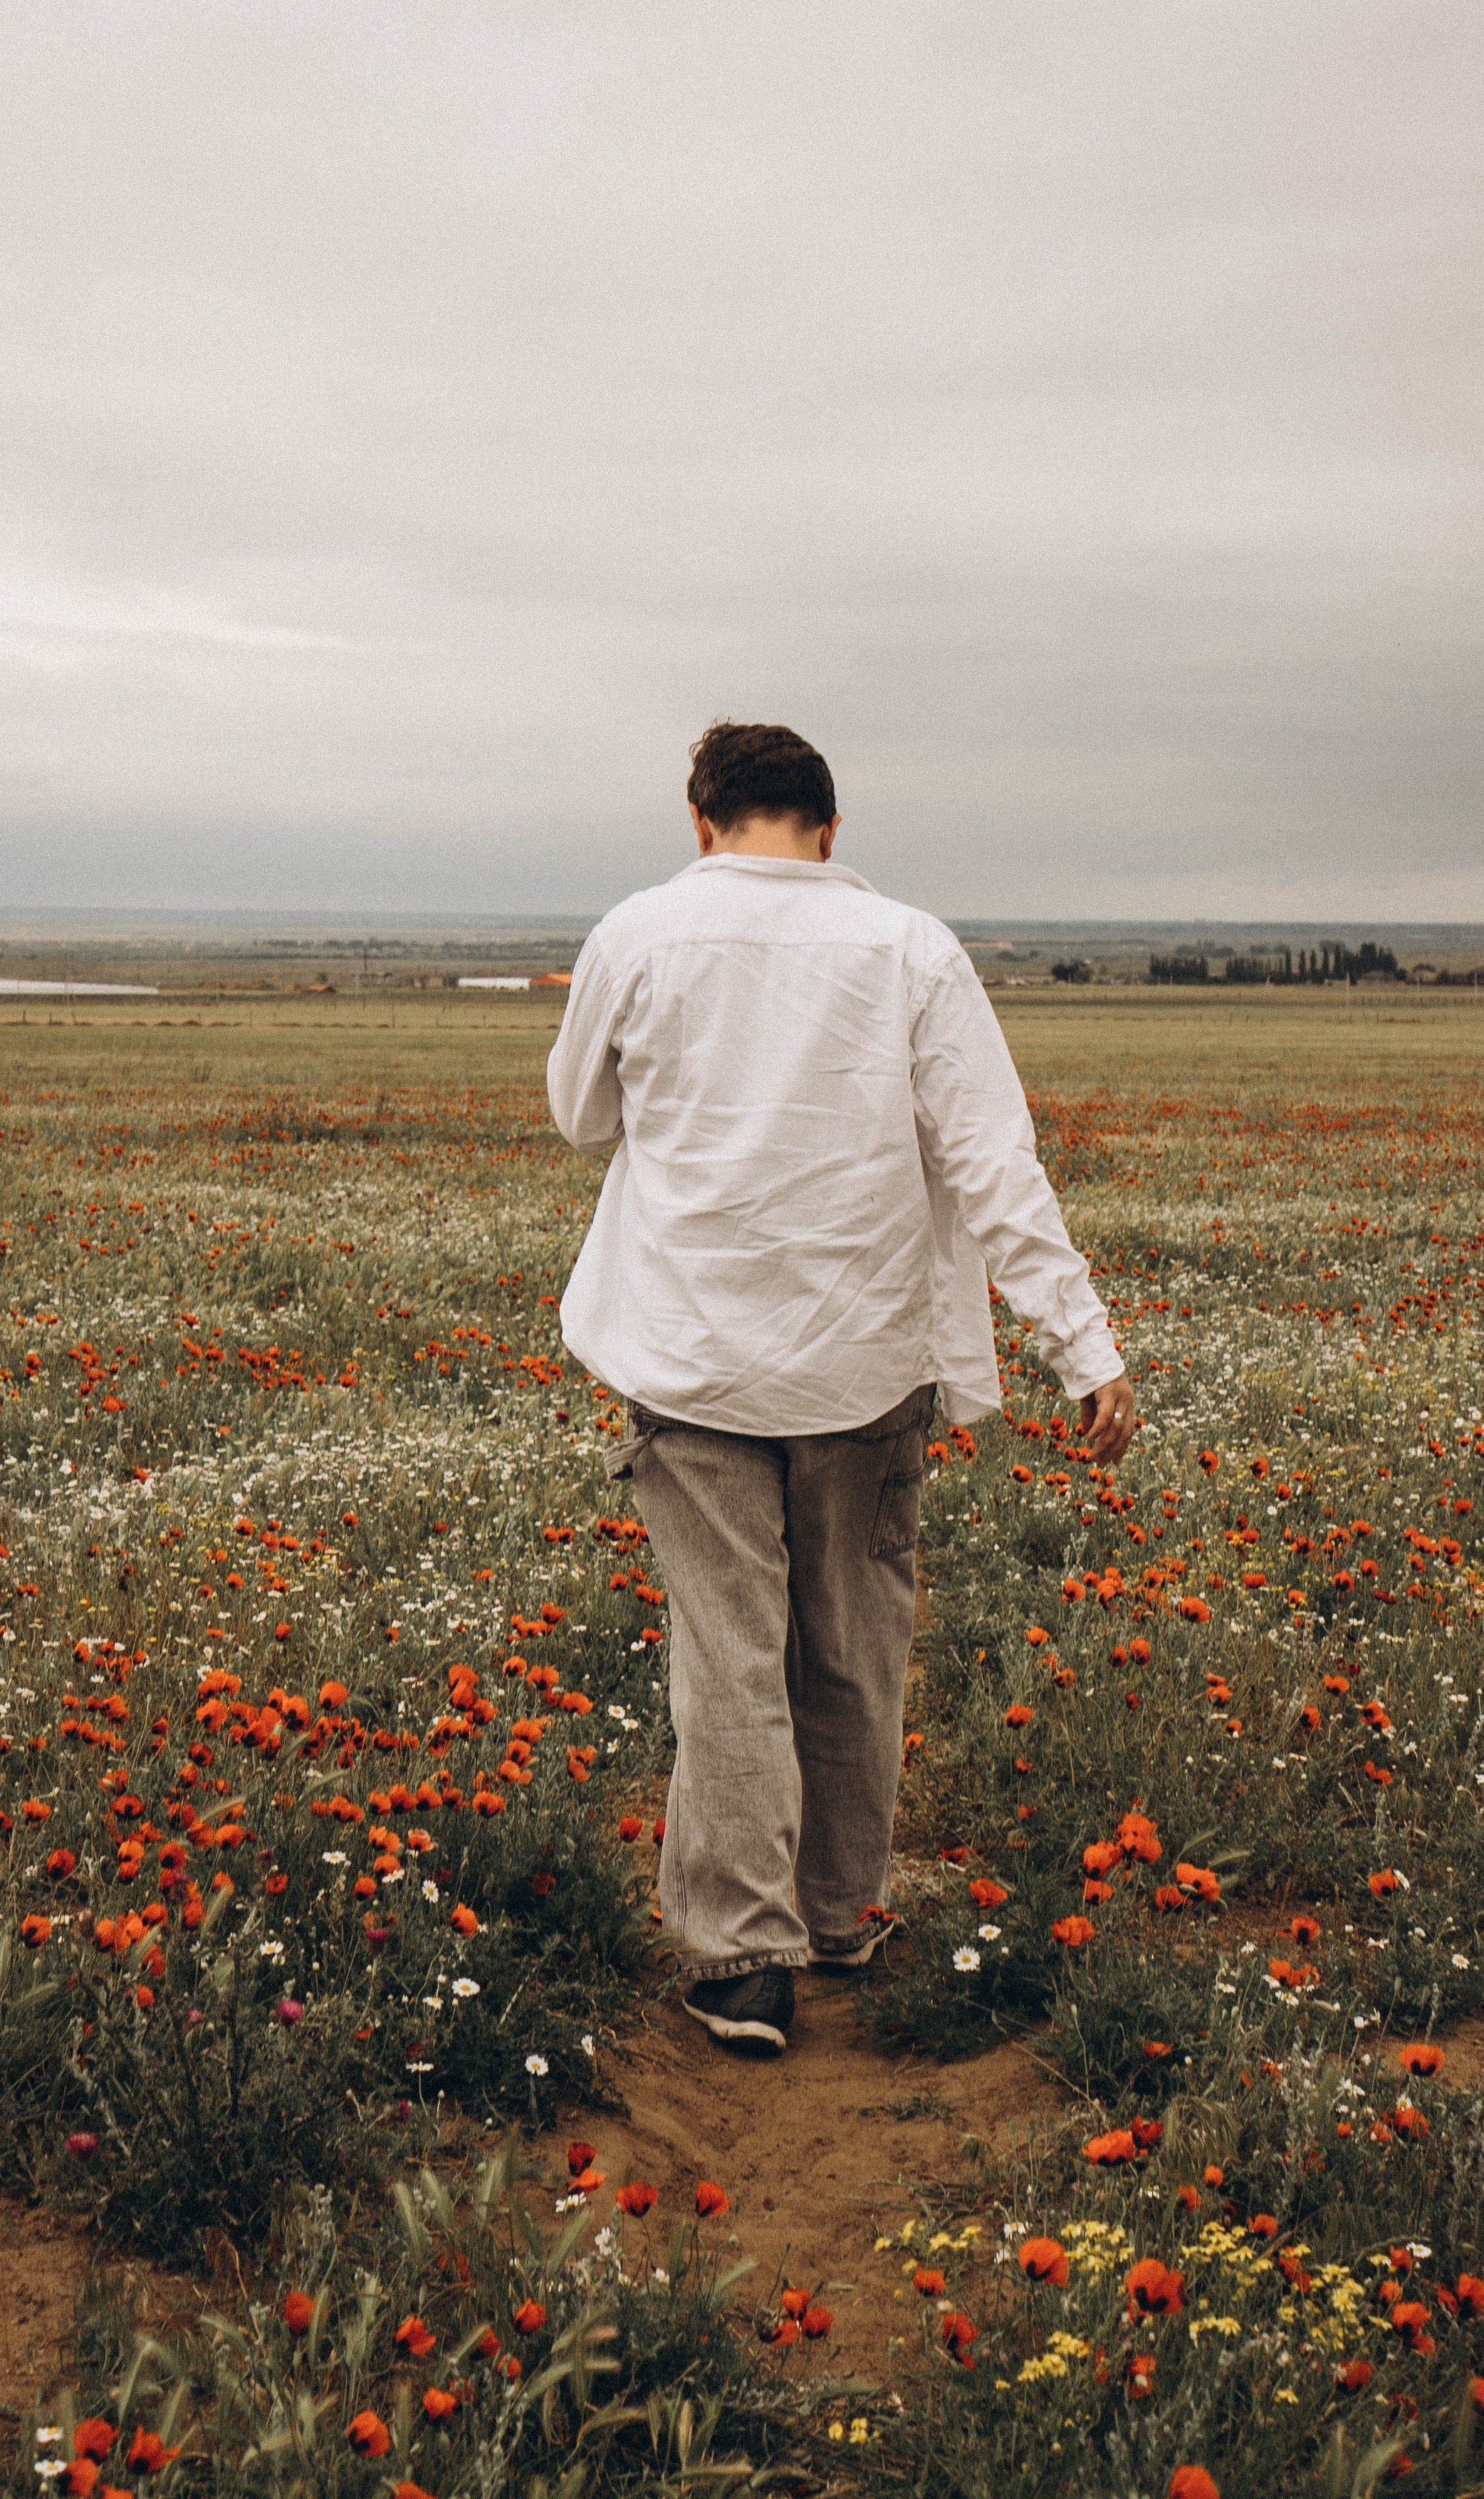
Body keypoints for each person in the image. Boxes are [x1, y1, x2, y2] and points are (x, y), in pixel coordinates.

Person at [545, 721, 1133, 2054]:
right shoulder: (912, 948)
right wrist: (1080, 1343)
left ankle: (742, 1961)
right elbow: (994, 1159)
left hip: (692, 1360)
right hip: (868, 1360)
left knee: (729, 1654)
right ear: (830, 826)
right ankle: (845, 1913)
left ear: (701, 822)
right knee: (857, 1642)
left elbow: (582, 1116)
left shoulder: (636, 935)